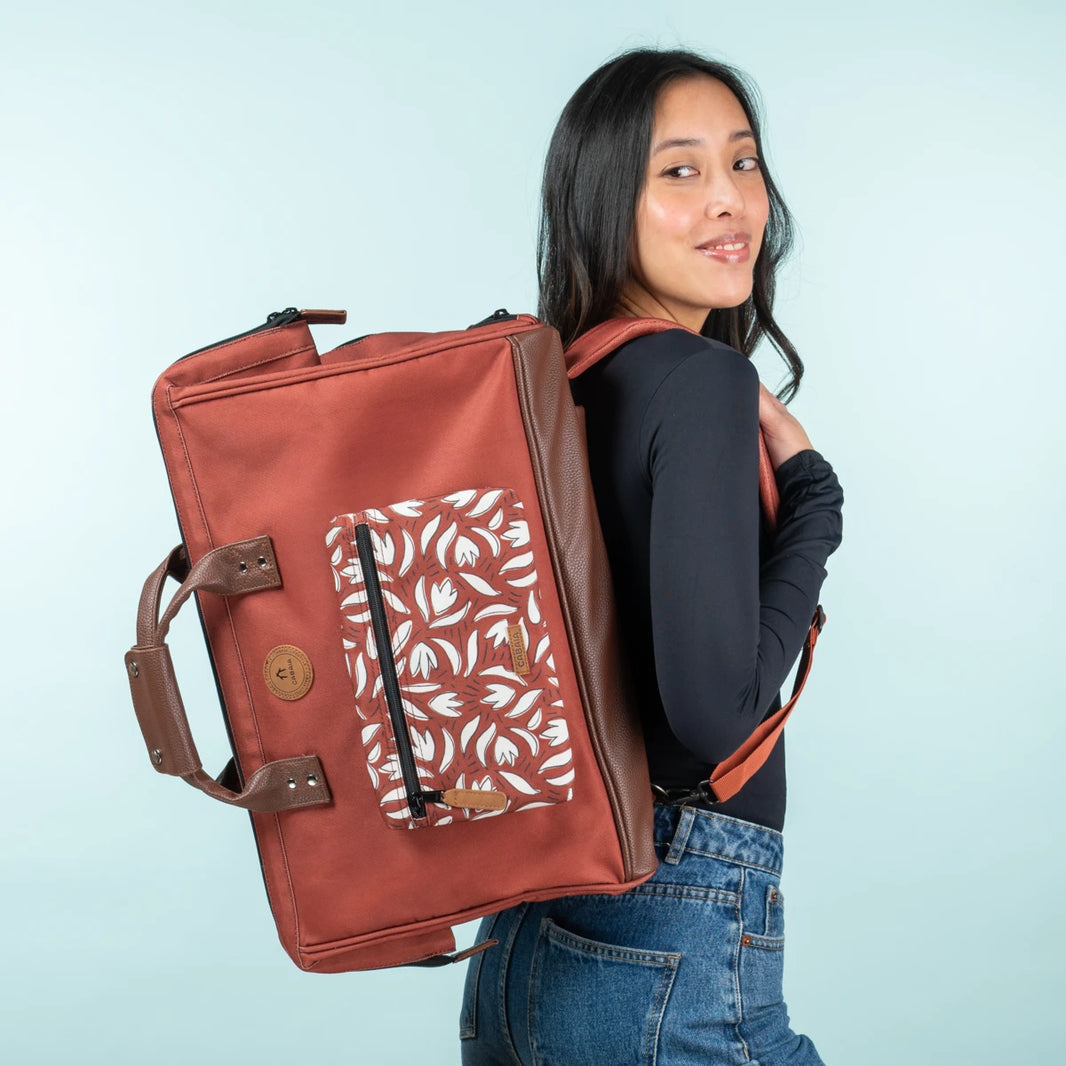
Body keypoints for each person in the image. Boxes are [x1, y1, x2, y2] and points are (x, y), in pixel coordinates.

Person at [459, 46, 843, 1066]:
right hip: (670, 935)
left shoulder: (552, 385)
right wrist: (816, 505)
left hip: (520, 947)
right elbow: (714, 715)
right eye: (679, 171)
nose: (728, 200)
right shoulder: (699, 383)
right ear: (604, 202)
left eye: (743, 162)